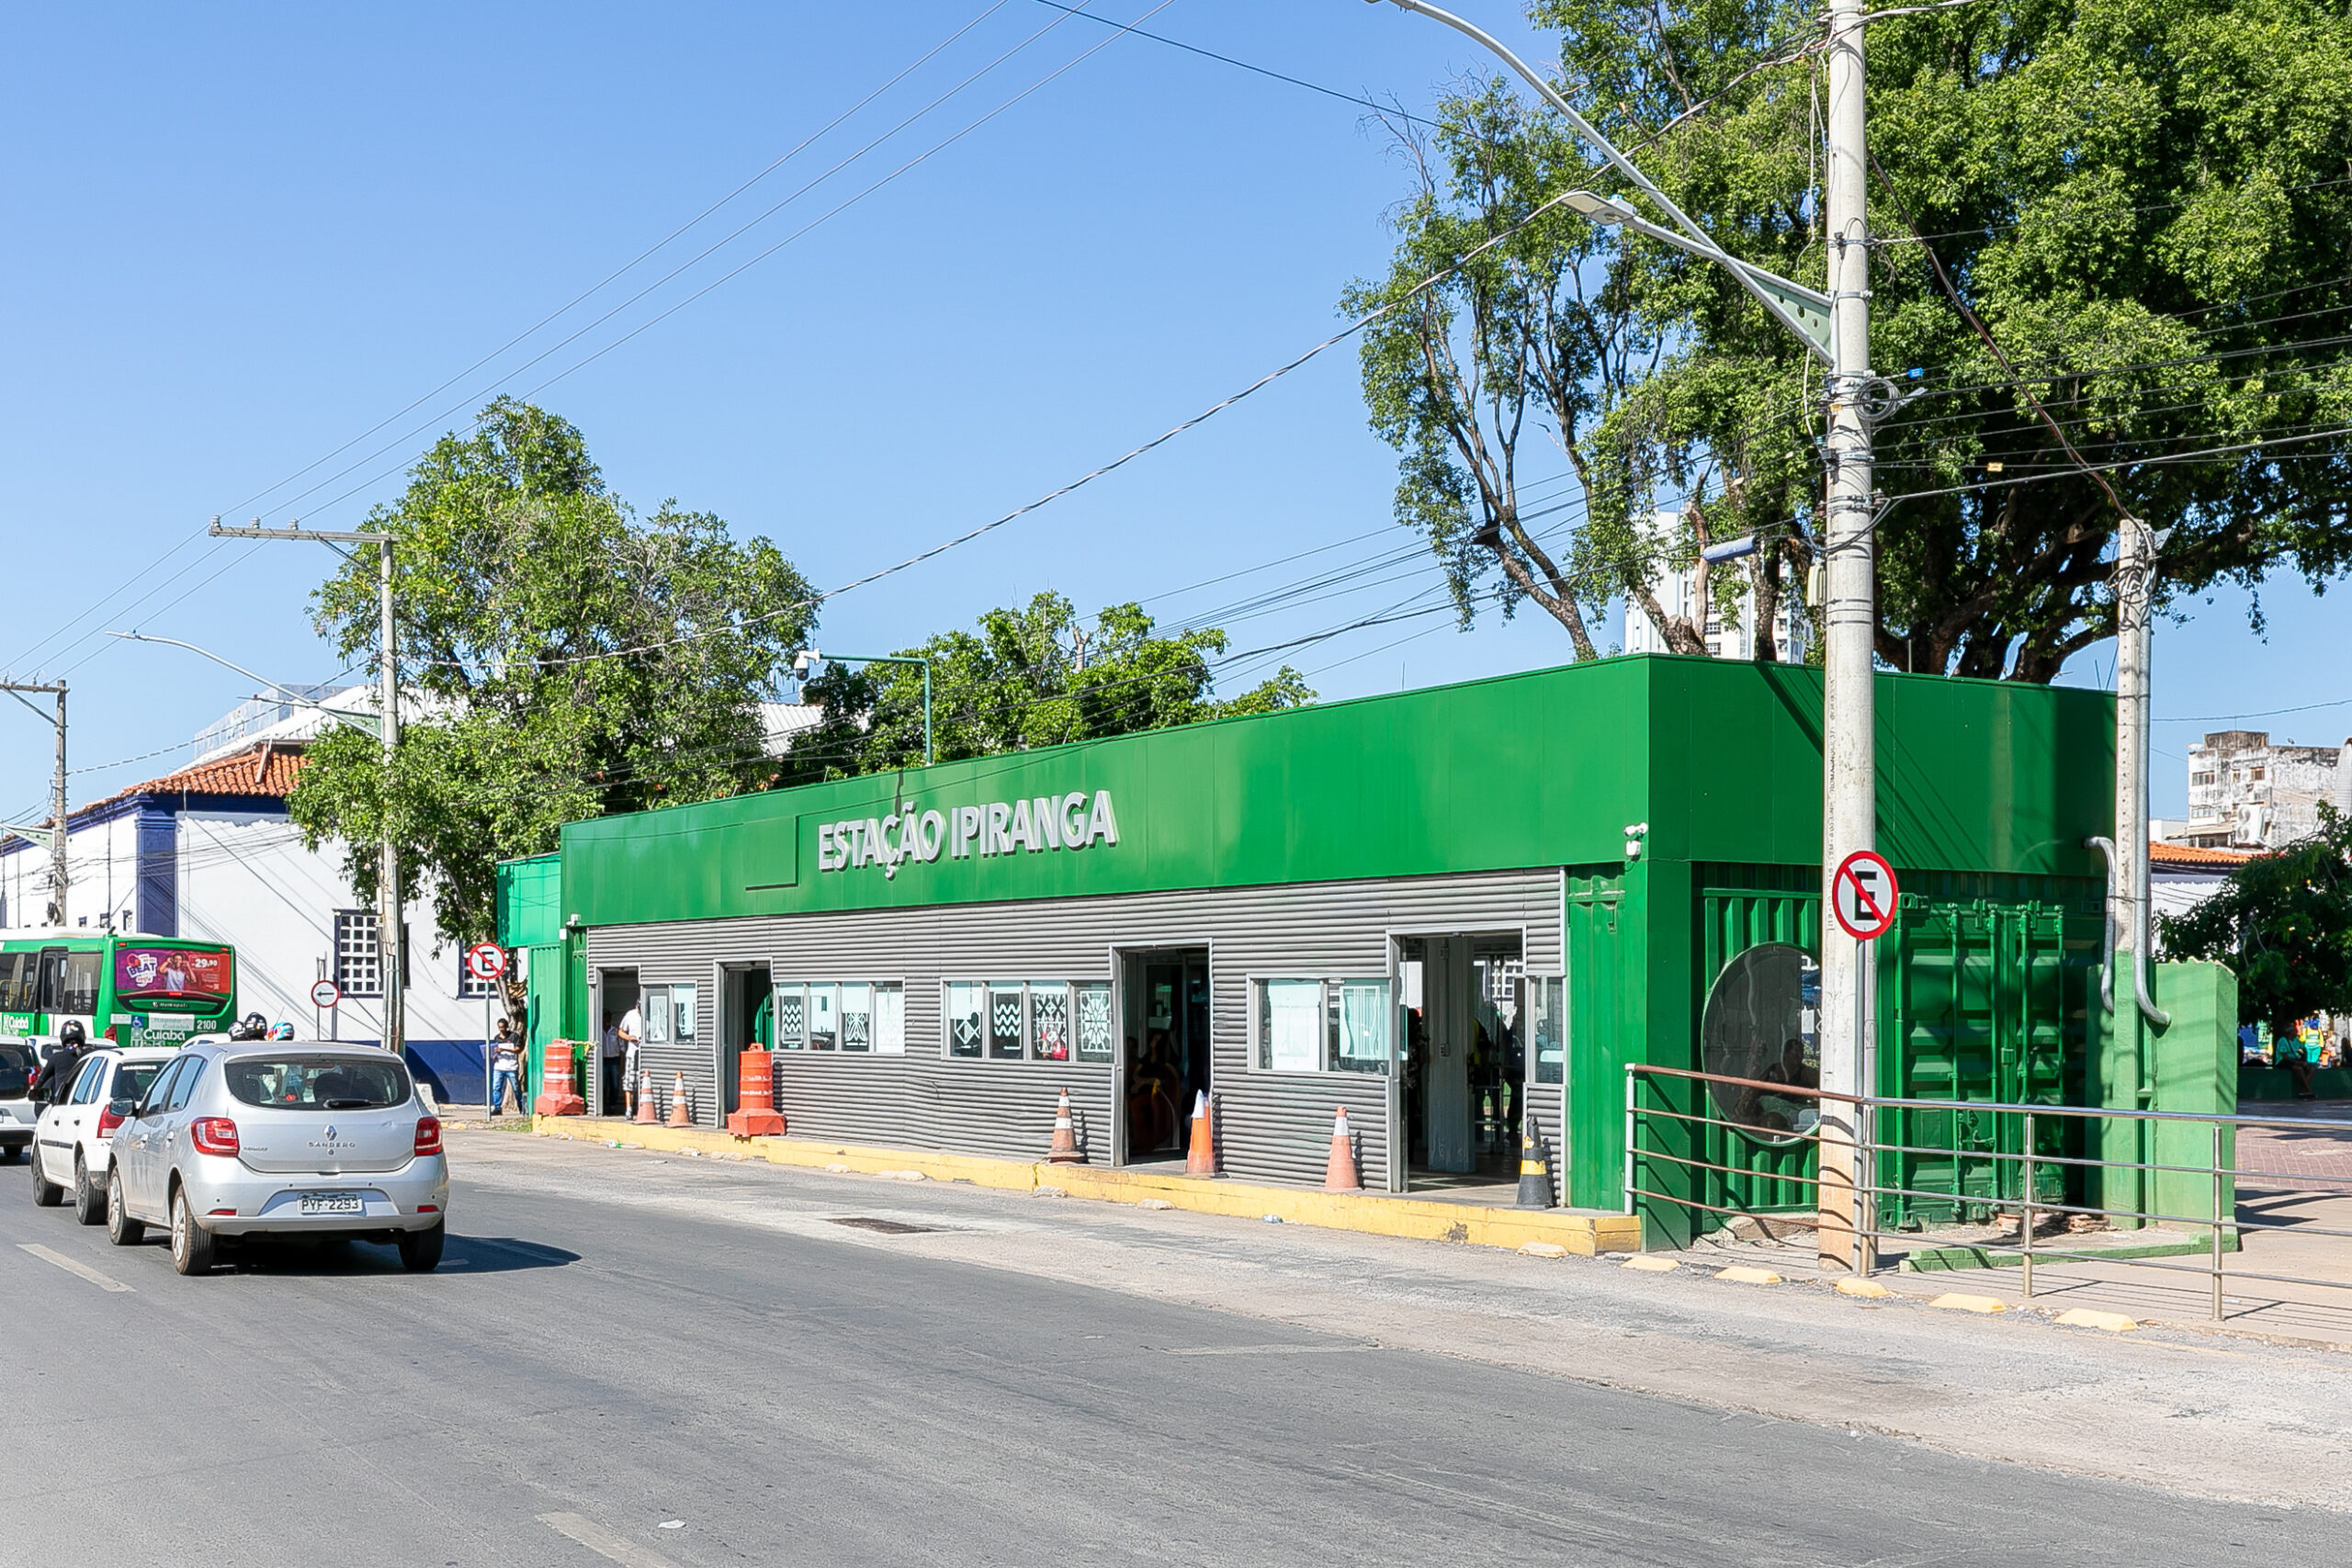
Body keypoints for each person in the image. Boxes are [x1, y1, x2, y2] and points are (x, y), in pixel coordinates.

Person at [36, 1021, 87, 1107]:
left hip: (61, 1104)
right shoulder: (89, 1057)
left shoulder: (56, 1058)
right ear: (82, 1037)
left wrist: (34, 1090)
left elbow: (42, 1081)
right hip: (84, 1103)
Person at [487, 1018, 520, 1118]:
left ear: (506, 1027)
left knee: (516, 1088)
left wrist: (504, 1049)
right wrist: (495, 1055)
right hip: (499, 1066)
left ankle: (521, 1106)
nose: (501, 1029)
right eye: (499, 1027)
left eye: (503, 1027)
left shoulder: (514, 1036)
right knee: (496, 1087)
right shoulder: (497, 1038)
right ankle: (497, 1108)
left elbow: (517, 1049)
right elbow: (496, 1051)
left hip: (511, 1066)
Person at [617, 997, 644, 1115]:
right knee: (629, 1082)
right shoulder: (631, 1015)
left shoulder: (651, 1014)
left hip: (646, 1054)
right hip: (632, 1053)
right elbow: (620, 1031)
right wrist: (629, 1037)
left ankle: (642, 1109)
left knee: (644, 1083)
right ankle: (629, 1109)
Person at [601, 1013, 623, 1114]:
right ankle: (603, 1105)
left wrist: (621, 1064)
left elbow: (622, 1049)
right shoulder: (598, 1032)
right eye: (605, 1017)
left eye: (608, 1017)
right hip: (603, 1060)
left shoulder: (616, 1031)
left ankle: (612, 1106)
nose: (607, 1020)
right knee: (603, 1084)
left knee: (614, 1085)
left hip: (614, 1060)